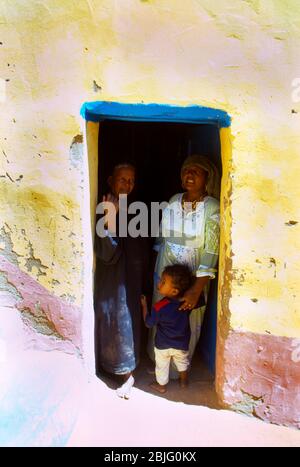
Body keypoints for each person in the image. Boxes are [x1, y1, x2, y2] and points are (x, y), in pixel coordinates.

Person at [147, 154, 220, 375]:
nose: (190, 175)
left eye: (196, 172)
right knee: (161, 314)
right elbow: (161, 237)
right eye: (187, 171)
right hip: (165, 271)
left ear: (207, 178)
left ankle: (180, 370)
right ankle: (158, 362)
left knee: (187, 320)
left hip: (193, 275)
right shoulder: (173, 200)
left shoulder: (212, 207)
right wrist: (157, 271)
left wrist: (196, 290)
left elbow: (211, 250)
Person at [94, 163, 149, 399]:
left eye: (131, 180)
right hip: (112, 278)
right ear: (110, 181)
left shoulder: (137, 210)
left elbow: (141, 248)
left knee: (128, 320)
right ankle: (109, 367)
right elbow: (107, 253)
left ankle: (127, 373)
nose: (127, 185)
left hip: (132, 278)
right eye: (122, 179)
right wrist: (109, 221)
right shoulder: (104, 206)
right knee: (112, 317)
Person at [141, 264, 193, 394]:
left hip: (163, 345)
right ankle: (183, 381)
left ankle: (162, 386)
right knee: (182, 363)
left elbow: (148, 323)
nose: (159, 283)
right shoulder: (187, 303)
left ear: (174, 291)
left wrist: (144, 306)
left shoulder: (160, 307)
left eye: (163, 282)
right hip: (181, 343)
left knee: (162, 366)